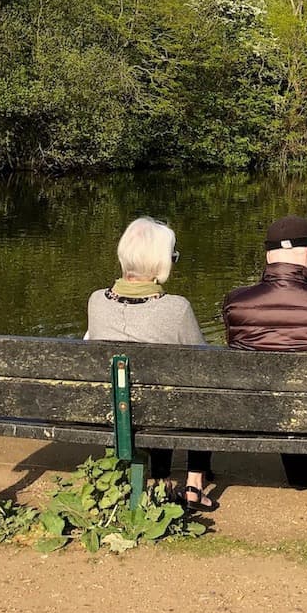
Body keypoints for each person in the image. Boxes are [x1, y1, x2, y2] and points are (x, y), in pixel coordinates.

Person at [221, 215, 307, 512]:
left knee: (280, 389)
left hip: (256, 411)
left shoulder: (235, 302)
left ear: (268, 256)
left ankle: (301, 475)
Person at [86, 216, 216, 512]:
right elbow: (205, 363)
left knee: (149, 392)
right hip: (163, 413)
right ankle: (193, 481)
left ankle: (157, 476)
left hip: (113, 412)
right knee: (202, 389)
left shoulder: (96, 302)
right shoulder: (176, 309)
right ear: (161, 262)